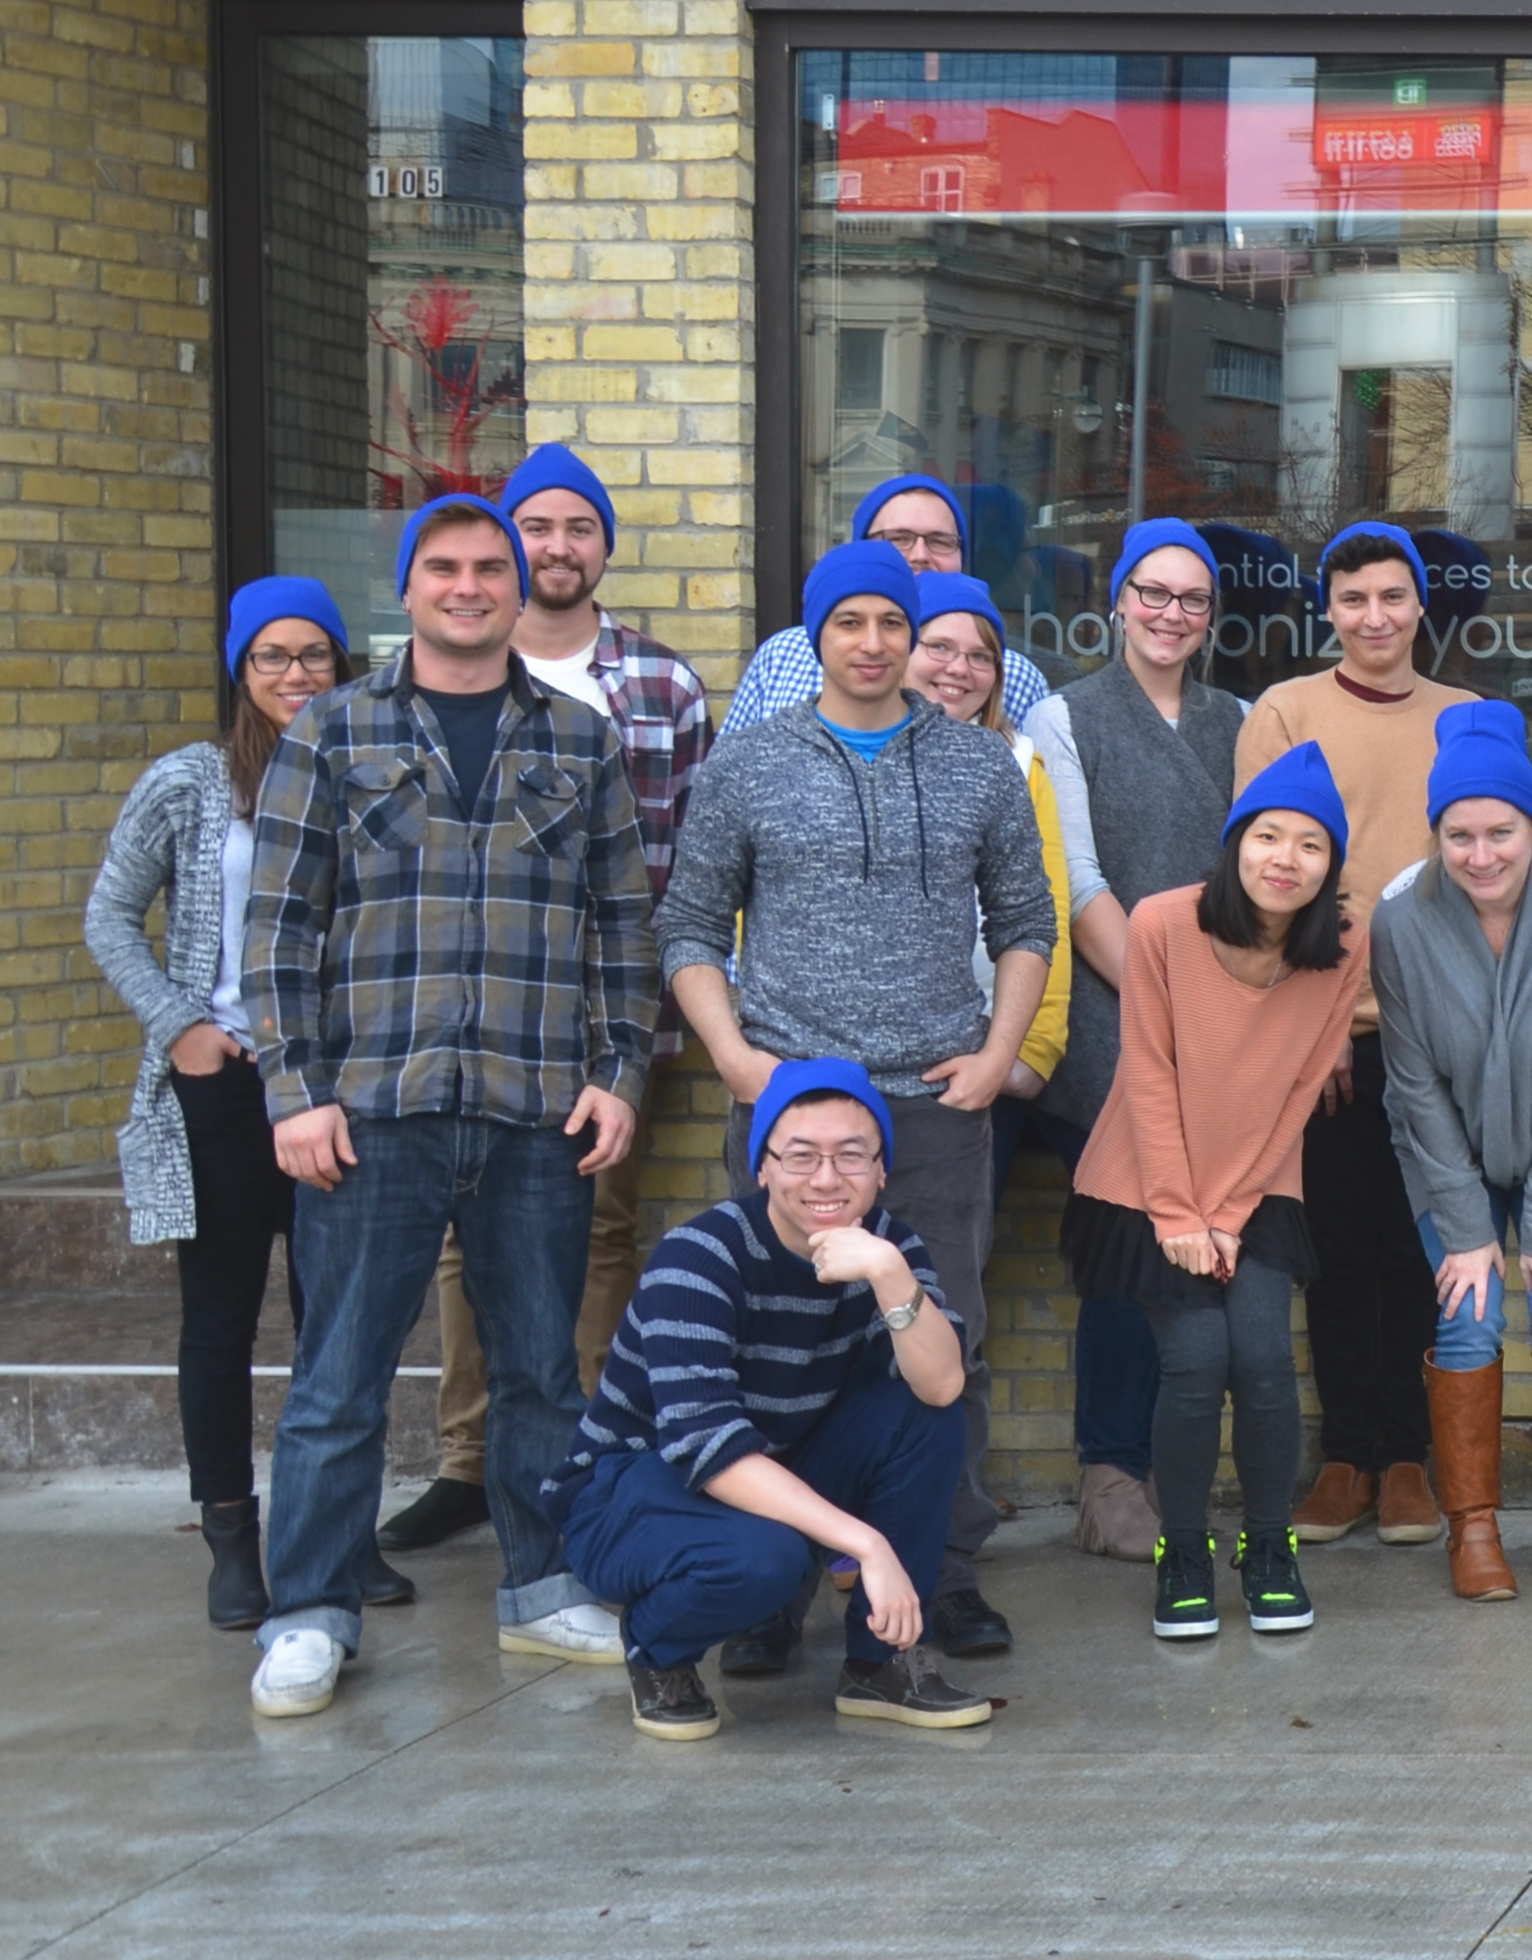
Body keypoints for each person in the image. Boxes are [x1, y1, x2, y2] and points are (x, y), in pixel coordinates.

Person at [238, 497, 655, 1719]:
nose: (470, 586)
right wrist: (295, 1093)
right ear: (408, 588)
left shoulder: (580, 740)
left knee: (541, 1374)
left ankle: (543, 1586)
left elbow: (625, 929)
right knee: (338, 1382)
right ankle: (310, 1610)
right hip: (374, 1112)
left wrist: (619, 1074)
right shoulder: (335, 727)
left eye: (491, 569)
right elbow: (275, 930)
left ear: (521, 591)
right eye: (446, 568)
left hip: (535, 1111)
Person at [656, 538, 1052, 1668]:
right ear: (816, 636)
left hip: (931, 1101)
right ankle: (771, 1587)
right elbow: (688, 924)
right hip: (793, 1108)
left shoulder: (980, 769)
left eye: (895, 624)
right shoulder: (752, 765)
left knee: (940, 1340)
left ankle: (944, 1572)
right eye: (851, 624)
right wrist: (740, 1063)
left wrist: (997, 1052)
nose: (875, 646)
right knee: (776, 1347)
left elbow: (1028, 922)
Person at [389, 446, 710, 1563]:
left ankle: (583, 1456)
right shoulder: (424, 685)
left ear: (602, 548)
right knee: (455, 1244)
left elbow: (687, 867)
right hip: (459, 1016)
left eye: (580, 527)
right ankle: (468, 1462)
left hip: (608, 1018)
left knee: (599, 1233)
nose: (557, 545)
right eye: (538, 526)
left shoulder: (661, 687)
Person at [552, 1062, 989, 1740]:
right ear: (761, 1166)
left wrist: (890, 1276)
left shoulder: (889, 1249)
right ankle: (657, 1647)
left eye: (851, 1156)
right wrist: (866, 1545)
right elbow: (709, 1449)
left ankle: (880, 1666)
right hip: (632, 1493)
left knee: (922, 1414)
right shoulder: (697, 1258)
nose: (825, 1179)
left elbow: (942, 1386)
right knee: (765, 1560)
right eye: (800, 1156)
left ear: (881, 1171)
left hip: (775, 1466)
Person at [87, 577, 352, 1627]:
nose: (295, 675)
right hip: (229, 1085)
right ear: (242, 671)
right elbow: (111, 911)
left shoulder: (366, 769)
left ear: (341, 663)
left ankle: (330, 1531)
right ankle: (231, 1539)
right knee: (222, 1318)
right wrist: (179, 1026)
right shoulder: (192, 783)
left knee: (340, 1319)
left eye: (314, 655)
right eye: (272, 658)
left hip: (336, 1084)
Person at [1066, 745, 1367, 1643]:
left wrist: (1230, 1215)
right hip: (1146, 1181)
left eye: (1310, 845)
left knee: (1265, 1362)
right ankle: (1185, 1550)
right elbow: (1147, 1074)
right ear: (1235, 846)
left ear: (1329, 866)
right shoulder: (1162, 924)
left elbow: (1302, 1090)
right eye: (1268, 836)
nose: (1286, 858)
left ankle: (1268, 1547)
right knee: (1196, 1360)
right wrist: (1180, 1215)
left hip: (1257, 1182)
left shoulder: (1338, 951)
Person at [1235, 520, 1482, 1545]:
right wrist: (1320, 1015)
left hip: (1439, 1034)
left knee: (1418, 1246)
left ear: (1419, 604)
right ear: (1326, 612)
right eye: (1352, 601)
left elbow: (1490, 877)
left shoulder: (1468, 716)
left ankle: (1410, 1461)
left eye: (1391, 596)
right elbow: (1266, 880)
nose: (1373, 617)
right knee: (1332, 1251)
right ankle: (1344, 1456)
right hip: (1324, 1036)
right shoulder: (1284, 712)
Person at [1018, 518, 1252, 1567]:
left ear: (1211, 617)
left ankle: (1181, 1468)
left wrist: (1222, 1010)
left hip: (1225, 1027)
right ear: (1117, 601)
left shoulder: (1240, 721)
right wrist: (1166, 1003)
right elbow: (1076, 880)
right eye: (1150, 594)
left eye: (1190, 600)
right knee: (1125, 1257)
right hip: (1116, 1033)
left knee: (1206, 1259)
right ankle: (1111, 1472)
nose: (1169, 614)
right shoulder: (1066, 719)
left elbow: (1263, 873)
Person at [1376, 703, 1532, 1604]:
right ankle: (1473, 1531)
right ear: (1436, 833)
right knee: (1469, 1313)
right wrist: (1465, 1226)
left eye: (1501, 832)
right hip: (1446, 1155)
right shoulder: (1400, 918)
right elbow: (1411, 1084)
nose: (1480, 855)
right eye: (1459, 835)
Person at [905, 577, 1079, 1121]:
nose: (960, 668)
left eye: (982, 656)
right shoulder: (832, 753)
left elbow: (1045, 912)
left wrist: (1031, 1048)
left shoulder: (1021, 766)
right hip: (838, 1059)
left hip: (976, 1056)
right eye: (939, 647)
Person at [723, 472, 1054, 729]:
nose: (920, 556)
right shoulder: (782, 657)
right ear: (860, 548)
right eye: (899, 539)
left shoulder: (1012, 675)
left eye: (940, 542)